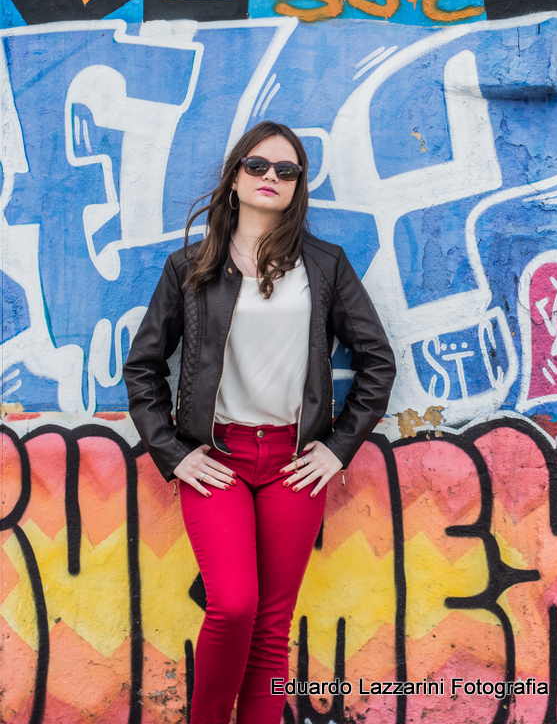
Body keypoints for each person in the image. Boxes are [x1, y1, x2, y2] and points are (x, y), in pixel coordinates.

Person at [123, 120, 396, 724]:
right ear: (235, 178)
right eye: (258, 166)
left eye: (287, 170)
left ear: (298, 187)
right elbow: (143, 367)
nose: (271, 176)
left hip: (293, 465)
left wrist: (338, 448)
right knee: (233, 607)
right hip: (217, 460)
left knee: (272, 626)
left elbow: (377, 360)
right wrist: (173, 453)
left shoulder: (324, 266)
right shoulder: (190, 266)